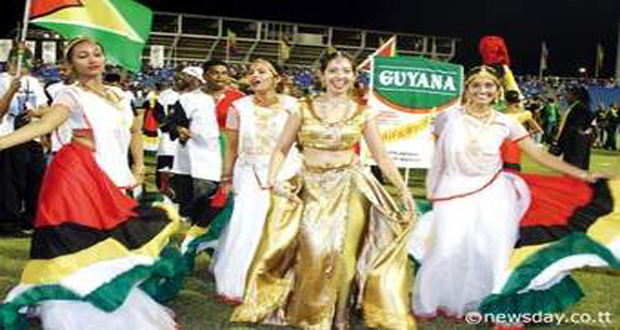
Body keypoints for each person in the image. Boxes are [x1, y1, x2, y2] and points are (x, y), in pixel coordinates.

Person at [0, 37, 180, 330]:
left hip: (117, 179)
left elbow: (134, 131)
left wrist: (138, 166)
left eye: (97, 53)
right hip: (79, 180)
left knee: (114, 246)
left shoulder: (120, 95)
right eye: (82, 56)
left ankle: (111, 303)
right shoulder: (70, 95)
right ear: (70, 65)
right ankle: (76, 315)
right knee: (77, 245)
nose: (92, 59)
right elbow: (44, 126)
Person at [231, 52, 416, 330]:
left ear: (354, 76)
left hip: (351, 184)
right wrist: (274, 181)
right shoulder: (302, 108)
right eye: (333, 71)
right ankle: (309, 311)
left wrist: (403, 190)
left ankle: (340, 316)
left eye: (345, 71)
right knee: (313, 249)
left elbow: (382, 156)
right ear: (322, 74)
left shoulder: (363, 112)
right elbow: (282, 148)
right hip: (310, 186)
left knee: (344, 252)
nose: (339, 77)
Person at [413, 66, 605, 323]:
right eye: (476, 85)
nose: (483, 90)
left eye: (489, 85)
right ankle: (449, 299)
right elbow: (438, 153)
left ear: (497, 90)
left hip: (494, 195)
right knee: (449, 247)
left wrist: (580, 174)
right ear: (467, 88)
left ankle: (494, 306)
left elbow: (538, 155)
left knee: (491, 250)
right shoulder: (447, 117)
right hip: (454, 192)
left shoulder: (506, 122)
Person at [211, 59, 302, 303]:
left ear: (277, 78)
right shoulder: (238, 107)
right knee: (247, 225)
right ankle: (240, 283)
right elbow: (231, 147)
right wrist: (226, 177)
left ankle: (281, 282)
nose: (254, 75)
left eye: (261, 71)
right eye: (251, 72)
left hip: (286, 173)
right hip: (248, 173)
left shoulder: (295, 106)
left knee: (282, 228)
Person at [0, 44, 48, 234]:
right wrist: (11, 90)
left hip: (32, 136)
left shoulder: (34, 82)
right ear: (12, 61)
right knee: (11, 182)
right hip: (9, 136)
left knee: (35, 180)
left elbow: (45, 109)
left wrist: (36, 113)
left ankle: (31, 220)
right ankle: (8, 222)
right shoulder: (2, 80)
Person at [169, 66, 221, 225]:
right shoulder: (188, 99)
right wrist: (180, 130)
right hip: (193, 153)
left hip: (210, 150)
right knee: (193, 191)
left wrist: (178, 128)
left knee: (202, 193)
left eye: (187, 76)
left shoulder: (199, 98)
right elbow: (175, 123)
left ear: (197, 80)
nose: (181, 79)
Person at [553, 85, 595, 170]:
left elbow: (570, 128)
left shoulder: (579, 107)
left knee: (573, 168)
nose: (566, 97)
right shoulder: (578, 106)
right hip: (576, 141)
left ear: (575, 96)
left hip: (574, 142)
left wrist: (560, 143)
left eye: (568, 95)